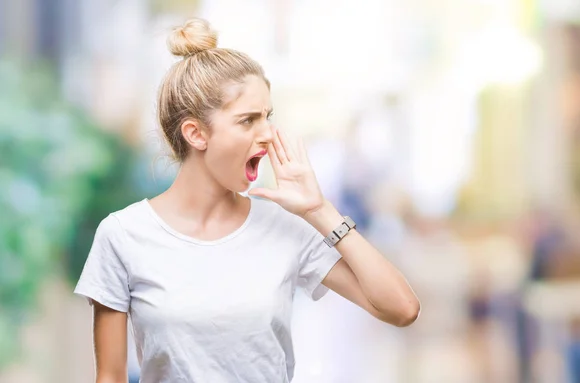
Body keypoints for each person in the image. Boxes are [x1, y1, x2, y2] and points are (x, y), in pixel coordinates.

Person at [74, 18, 420, 383]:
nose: (268, 134)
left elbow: (402, 308)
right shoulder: (122, 235)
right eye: (248, 120)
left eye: (267, 117)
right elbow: (110, 376)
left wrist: (319, 210)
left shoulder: (284, 227)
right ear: (196, 133)